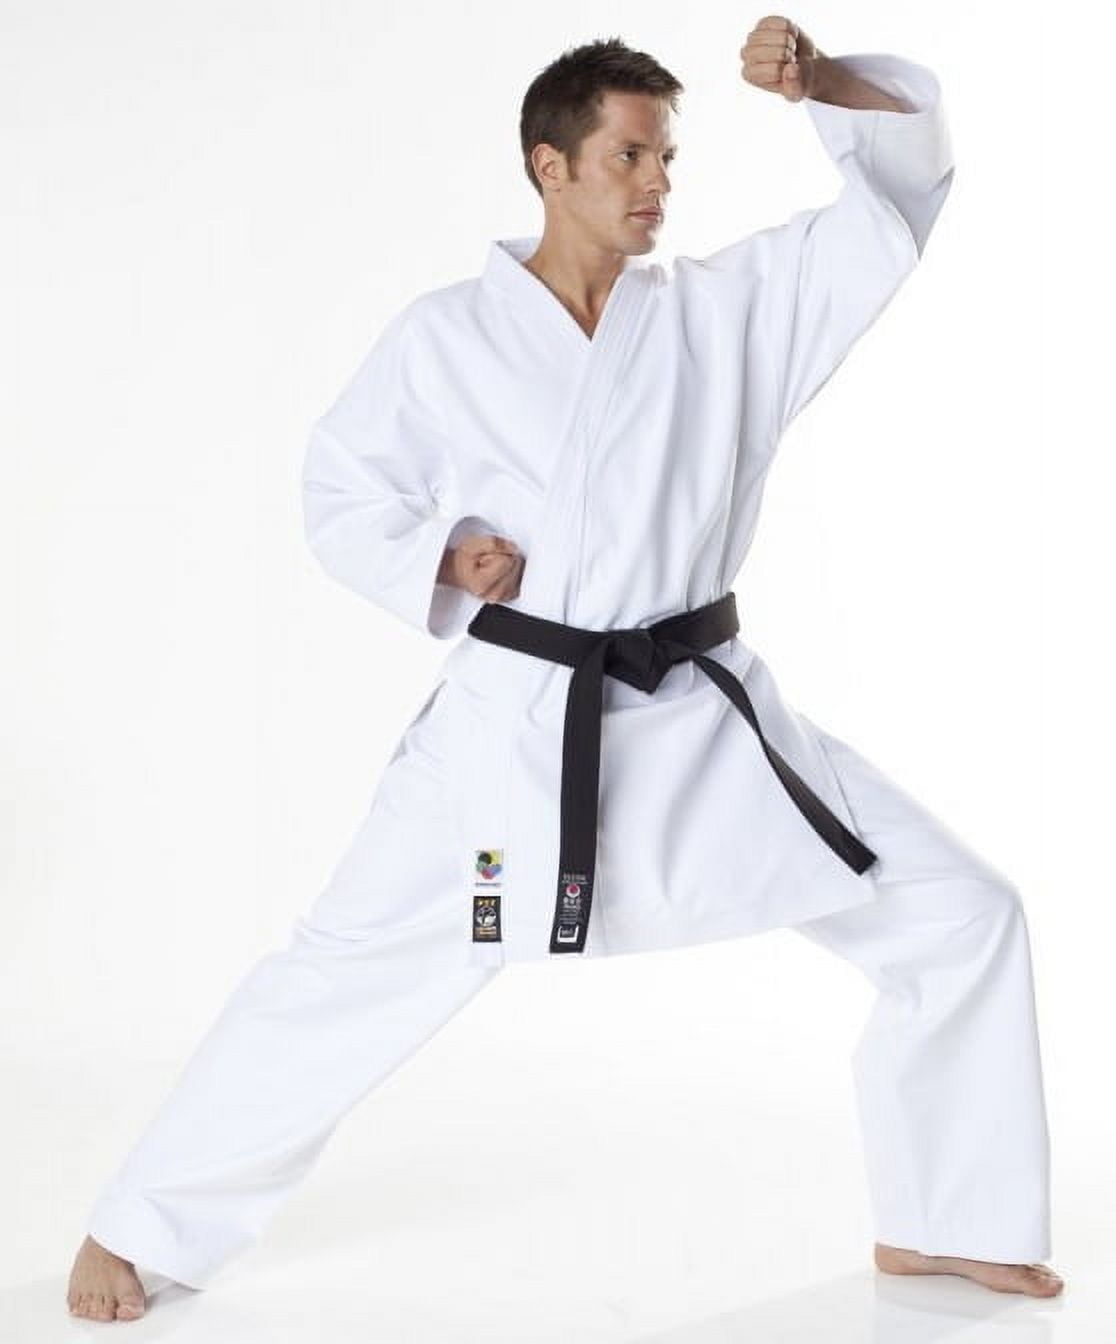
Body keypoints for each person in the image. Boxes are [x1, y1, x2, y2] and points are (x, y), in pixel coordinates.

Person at [66, 16, 1063, 1321]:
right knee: (348, 970)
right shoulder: (445, 338)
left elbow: (895, 204)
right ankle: (141, 1228)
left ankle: (948, 1219)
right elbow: (340, 492)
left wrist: (825, 84)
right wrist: (440, 554)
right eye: (631, 156)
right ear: (551, 165)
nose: (659, 184)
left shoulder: (726, 316)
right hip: (519, 732)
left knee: (960, 911)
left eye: (669, 158)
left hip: (704, 721)